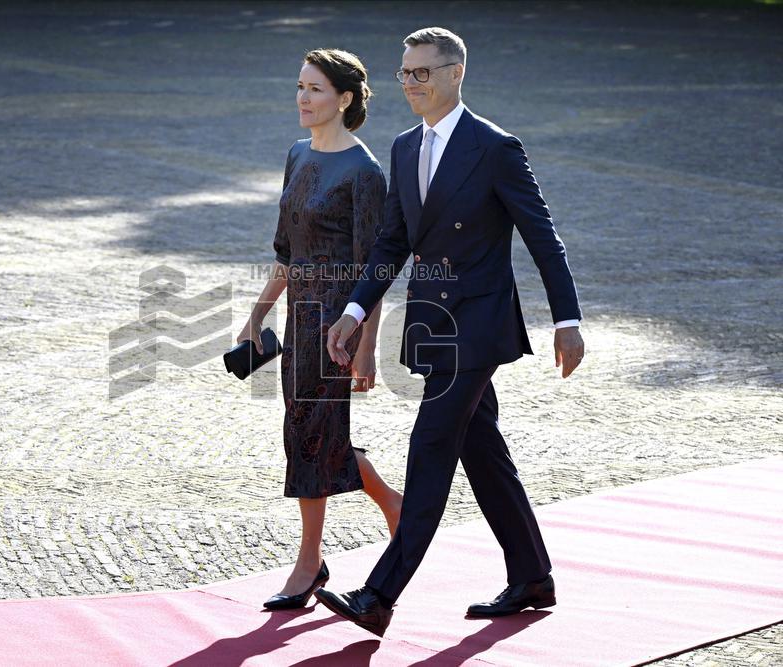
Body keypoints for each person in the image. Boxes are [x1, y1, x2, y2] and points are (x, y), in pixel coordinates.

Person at [314, 27, 586, 637]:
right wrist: (355, 312)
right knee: (482, 451)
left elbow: (543, 238)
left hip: (480, 325)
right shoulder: (406, 145)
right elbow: (393, 241)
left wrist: (567, 320)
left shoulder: (495, 148)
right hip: (433, 325)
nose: (411, 84)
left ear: (456, 74)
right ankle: (532, 575)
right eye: (405, 73)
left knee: (430, 449)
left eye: (423, 73)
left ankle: (380, 595)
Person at [237, 48, 404, 611]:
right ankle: (392, 505)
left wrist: (368, 349)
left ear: (345, 99)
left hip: (338, 323)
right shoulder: (297, 155)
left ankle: (309, 563)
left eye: (315, 89)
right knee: (307, 431)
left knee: (313, 433)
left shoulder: (364, 172)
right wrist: (259, 312)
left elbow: (375, 268)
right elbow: (286, 250)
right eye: (300, 87)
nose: (303, 98)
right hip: (298, 319)